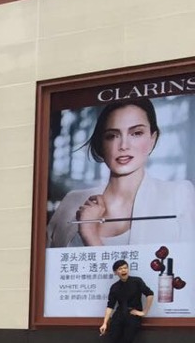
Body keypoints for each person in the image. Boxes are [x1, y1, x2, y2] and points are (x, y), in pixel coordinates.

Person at [47, 98, 195, 248]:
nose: (124, 146)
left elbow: (184, 269)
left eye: (136, 133)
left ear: (152, 139)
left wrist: (90, 234)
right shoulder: (72, 202)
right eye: (112, 136)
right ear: (101, 144)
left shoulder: (178, 195)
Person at [99, 259, 153, 343]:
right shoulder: (114, 287)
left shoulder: (137, 281)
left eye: (125, 267)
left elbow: (149, 294)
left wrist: (144, 312)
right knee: (113, 342)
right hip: (118, 315)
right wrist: (104, 323)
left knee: (127, 341)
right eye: (120, 269)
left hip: (133, 315)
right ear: (115, 272)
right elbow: (110, 305)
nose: (123, 270)